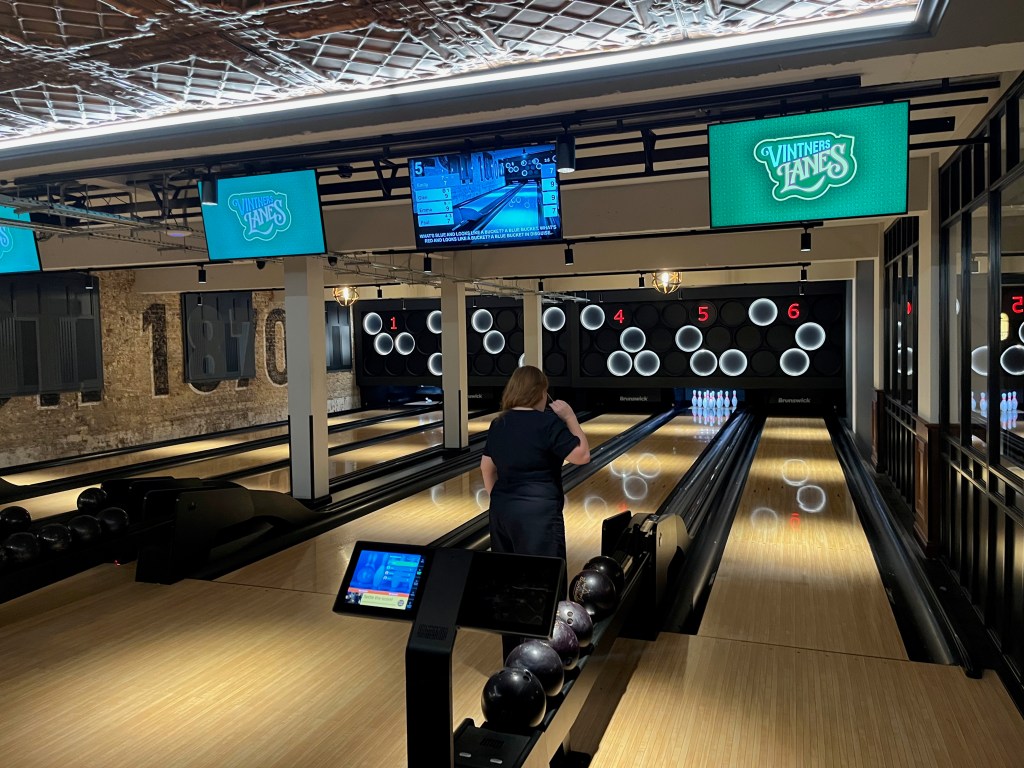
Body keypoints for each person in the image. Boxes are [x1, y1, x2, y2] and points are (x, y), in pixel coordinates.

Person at [480, 365, 590, 659]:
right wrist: (569, 417)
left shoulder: (498, 423)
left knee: (508, 585)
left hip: (503, 513)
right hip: (539, 516)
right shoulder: (547, 423)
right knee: (545, 587)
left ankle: (513, 655)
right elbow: (581, 455)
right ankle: (544, 658)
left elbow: (486, 467)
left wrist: (502, 500)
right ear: (540, 392)